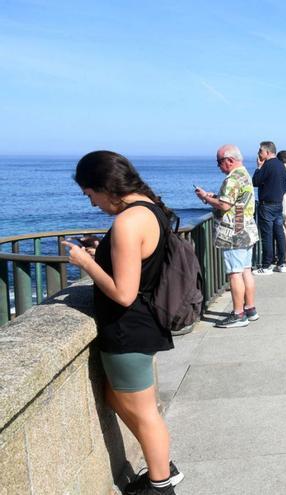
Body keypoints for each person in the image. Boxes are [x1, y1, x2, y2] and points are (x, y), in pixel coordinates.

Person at [63, 151, 182, 495]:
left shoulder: (128, 222)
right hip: (141, 325)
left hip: (129, 328)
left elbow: (124, 292)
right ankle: (162, 469)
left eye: (90, 195)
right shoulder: (149, 208)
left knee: (145, 415)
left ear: (104, 186)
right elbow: (138, 263)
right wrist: (104, 250)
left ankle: (161, 484)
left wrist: (85, 261)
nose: (93, 204)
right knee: (117, 399)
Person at [196, 145, 260, 328]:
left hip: (233, 232)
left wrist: (206, 198)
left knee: (235, 274)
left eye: (219, 162)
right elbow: (232, 201)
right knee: (246, 270)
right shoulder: (244, 174)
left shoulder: (231, 179)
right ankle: (250, 308)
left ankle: (238, 314)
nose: (218, 166)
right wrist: (213, 196)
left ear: (229, 160)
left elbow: (224, 206)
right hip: (246, 229)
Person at [251, 141, 286, 274]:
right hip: (278, 204)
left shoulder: (267, 165)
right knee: (279, 234)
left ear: (267, 152)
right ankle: (282, 263)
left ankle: (267, 266)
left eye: (260, 151)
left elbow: (255, 182)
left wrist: (258, 167)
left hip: (267, 205)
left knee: (267, 235)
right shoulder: (281, 165)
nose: (258, 154)